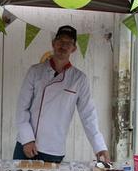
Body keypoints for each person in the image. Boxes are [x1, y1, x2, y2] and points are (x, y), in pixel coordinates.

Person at [14, 25, 110, 164]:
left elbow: (88, 114)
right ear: (53, 43)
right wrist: (27, 139)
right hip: (25, 144)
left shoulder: (79, 79)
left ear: (74, 48)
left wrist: (99, 146)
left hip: (53, 149)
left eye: (68, 43)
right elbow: (21, 108)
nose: (63, 45)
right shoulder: (35, 71)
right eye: (60, 41)